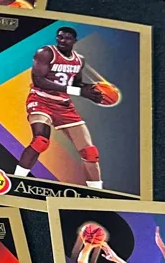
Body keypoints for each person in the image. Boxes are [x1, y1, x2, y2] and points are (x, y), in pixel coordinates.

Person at [12, 26, 111, 189]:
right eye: (60, 37)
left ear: (74, 41)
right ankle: (15, 180)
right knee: (40, 141)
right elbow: (39, 80)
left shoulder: (79, 60)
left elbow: (76, 83)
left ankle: (96, 192)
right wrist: (78, 91)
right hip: (41, 100)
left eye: (67, 38)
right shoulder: (46, 53)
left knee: (90, 152)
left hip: (64, 105)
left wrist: (93, 90)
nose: (62, 40)